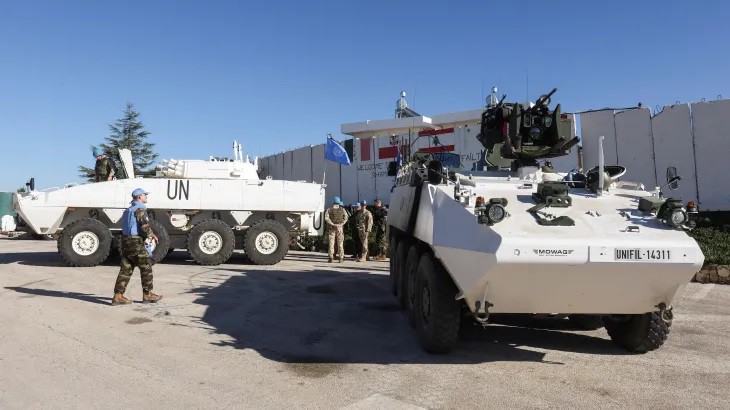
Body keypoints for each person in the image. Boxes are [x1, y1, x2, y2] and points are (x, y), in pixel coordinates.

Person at [111, 188, 162, 305]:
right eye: (145, 195)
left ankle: (118, 296)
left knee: (126, 268)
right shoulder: (139, 209)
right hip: (135, 242)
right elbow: (144, 225)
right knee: (146, 267)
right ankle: (148, 294)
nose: (146, 197)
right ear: (139, 197)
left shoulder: (128, 210)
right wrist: (152, 234)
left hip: (125, 241)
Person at [324, 197, 348, 263]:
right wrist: (340, 225)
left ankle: (331, 258)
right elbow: (346, 218)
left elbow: (326, 218)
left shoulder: (329, 209)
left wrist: (333, 224)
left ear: (333, 202)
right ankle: (341, 258)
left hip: (332, 228)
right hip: (340, 228)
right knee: (340, 243)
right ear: (339, 202)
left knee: (331, 243)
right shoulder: (342, 209)